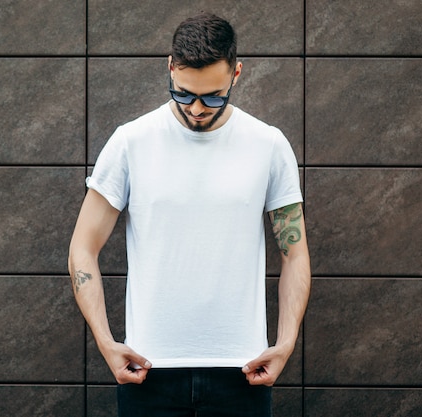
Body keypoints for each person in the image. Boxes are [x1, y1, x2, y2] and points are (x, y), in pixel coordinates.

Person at [68, 12, 310, 417]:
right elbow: (82, 247)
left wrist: (285, 344)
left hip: (242, 373)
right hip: (148, 372)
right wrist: (106, 343)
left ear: (237, 74)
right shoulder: (132, 142)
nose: (197, 108)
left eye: (213, 96)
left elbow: (295, 253)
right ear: (170, 68)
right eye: (184, 94)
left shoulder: (268, 145)